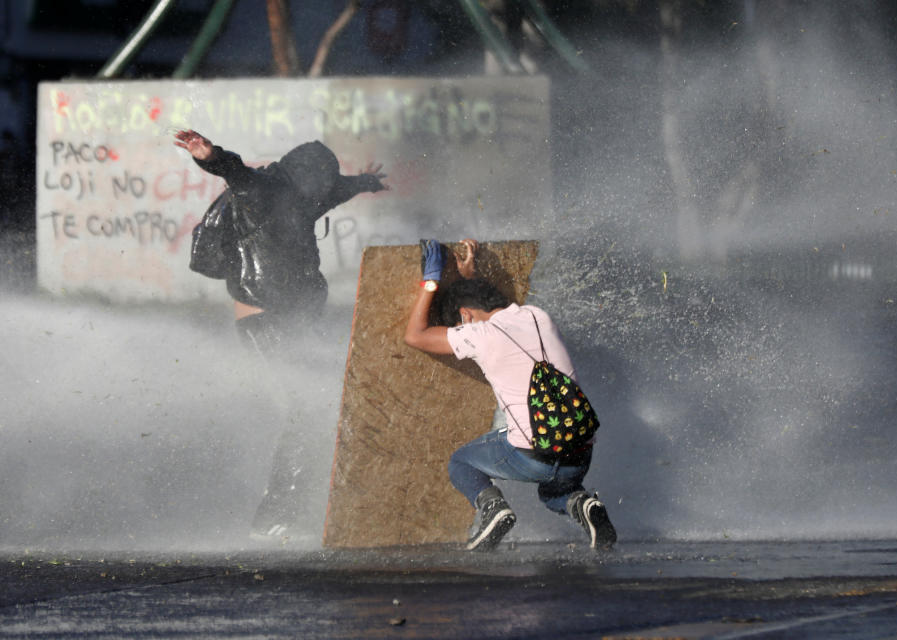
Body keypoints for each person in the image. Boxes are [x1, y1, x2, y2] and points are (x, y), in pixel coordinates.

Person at [174, 130, 389, 541]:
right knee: (306, 410)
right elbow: (235, 172)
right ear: (299, 175)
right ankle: (273, 518)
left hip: (294, 319)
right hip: (263, 320)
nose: (321, 191)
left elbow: (335, 192)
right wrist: (210, 155)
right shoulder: (261, 189)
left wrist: (365, 182)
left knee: (322, 408)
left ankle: (301, 508)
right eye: (319, 182)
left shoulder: (304, 196)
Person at [404, 239, 617, 551]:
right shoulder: (537, 316)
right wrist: (470, 278)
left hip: (534, 456)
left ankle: (493, 509)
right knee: (554, 493)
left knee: (461, 462)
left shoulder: (479, 336)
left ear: (464, 316)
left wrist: (432, 280)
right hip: (580, 451)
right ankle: (583, 505)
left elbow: (416, 336)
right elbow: (495, 309)